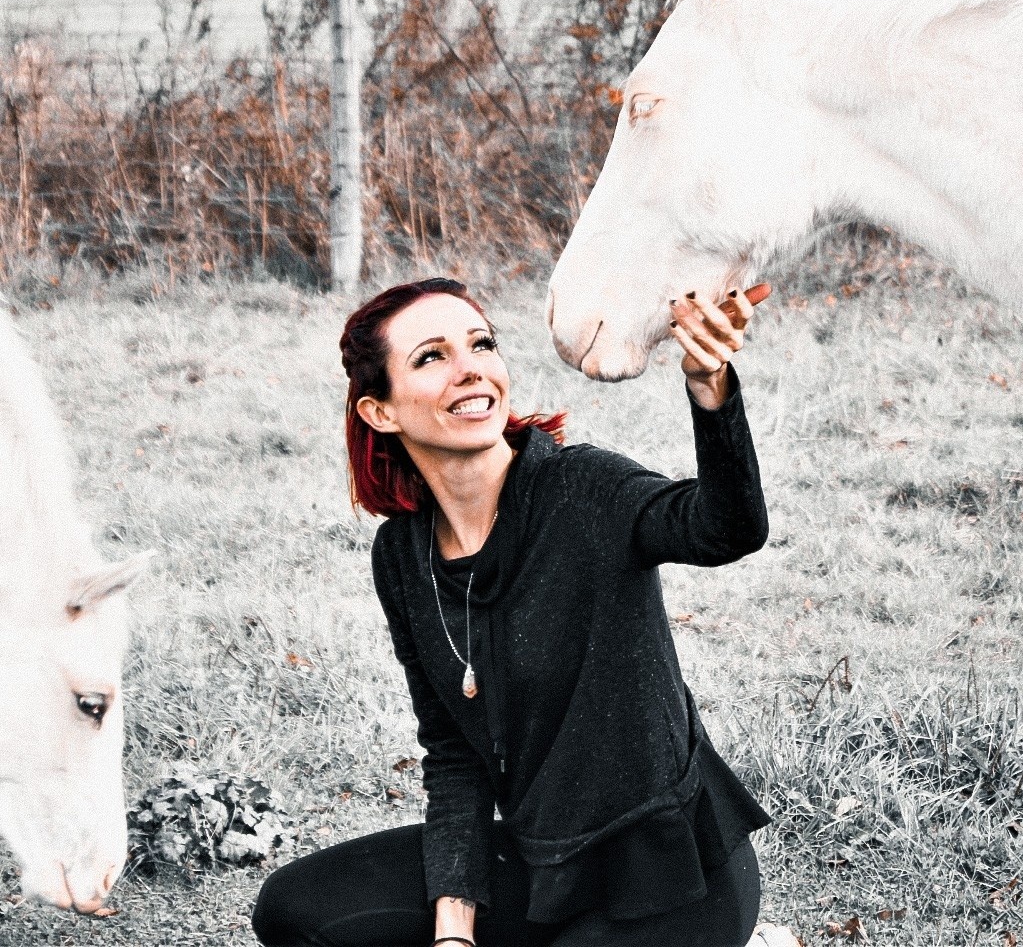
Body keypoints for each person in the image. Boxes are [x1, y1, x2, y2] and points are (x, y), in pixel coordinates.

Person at [252, 277, 772, 947]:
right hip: (544, 868)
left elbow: (727, 528)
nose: (470, 368)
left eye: (481, 344)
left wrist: (710, 386)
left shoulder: (583, 489)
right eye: (431, 356)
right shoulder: (404, 555)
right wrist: (454, 933)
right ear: (380, 412)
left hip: (675, 876)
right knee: (294, 908)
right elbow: (453, 753)